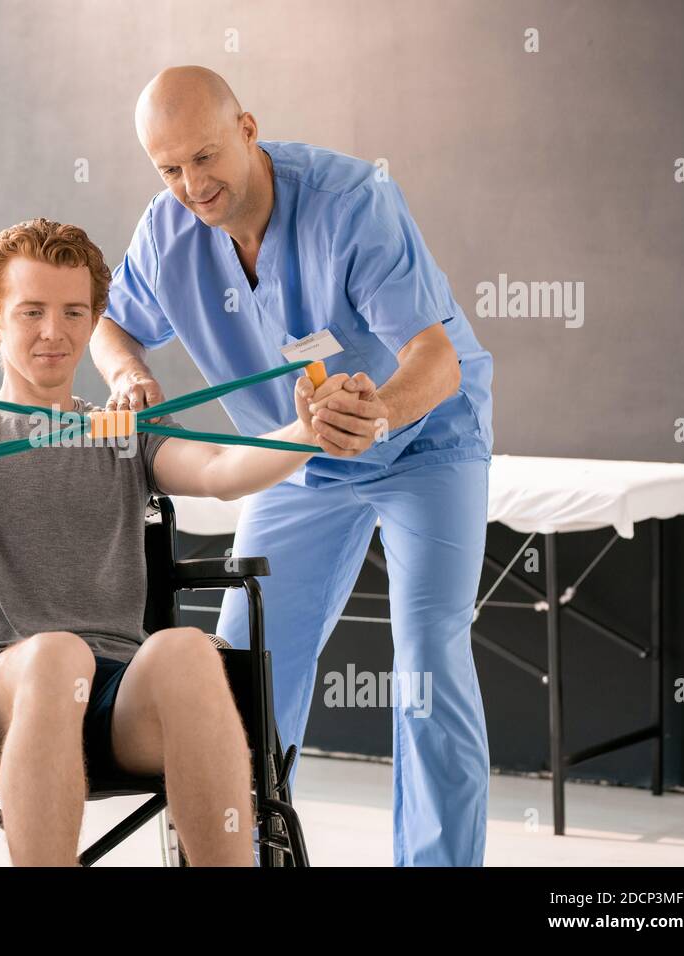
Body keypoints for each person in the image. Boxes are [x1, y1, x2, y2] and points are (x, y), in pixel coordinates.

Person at [0, 218, 346, 866]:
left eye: (75, 311)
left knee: (189, 648)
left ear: (95, 317)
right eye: (32, 311)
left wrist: (305, 431)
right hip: (0, 690)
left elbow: (221, 471)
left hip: (115, 698)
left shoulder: (124, 432)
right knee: (56, 656)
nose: (55, 331)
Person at [91, 66, 495, 866]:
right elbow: (111, 325)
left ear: (247, 129)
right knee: (240, 669)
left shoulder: (351, 203)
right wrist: (126, 374)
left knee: (426, 661)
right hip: (299, 459)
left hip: (425, 442)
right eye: (168, 169)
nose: (192, 185)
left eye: (205, 158)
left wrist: (378, 411)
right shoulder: (168, 231)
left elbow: (434, 357)